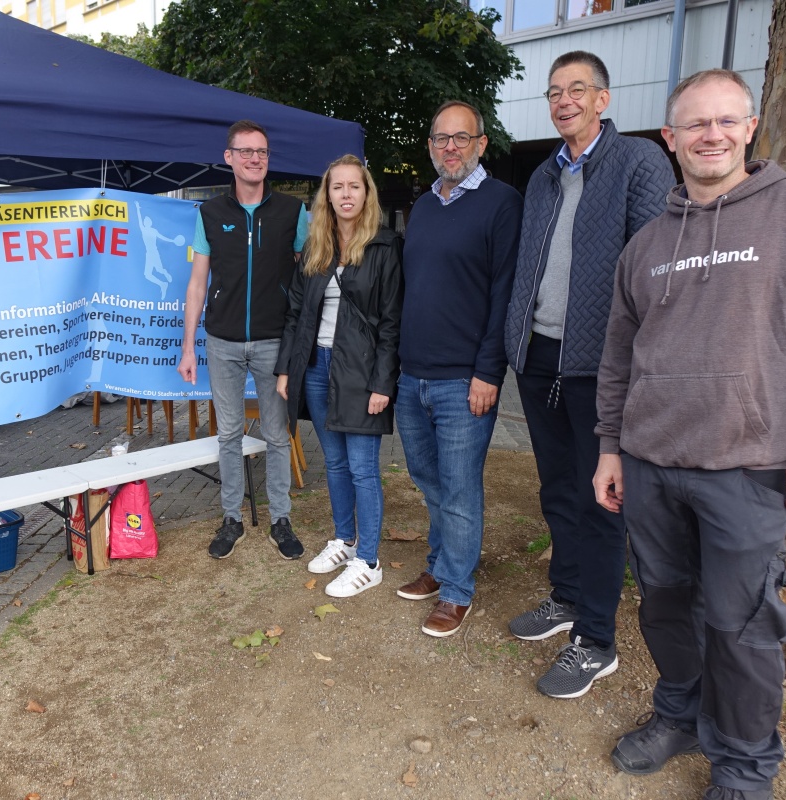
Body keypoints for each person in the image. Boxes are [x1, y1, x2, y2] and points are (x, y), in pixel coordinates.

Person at [593, 70, 786, 800]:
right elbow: (619, 356)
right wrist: (609, 447)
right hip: (652, 466)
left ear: (749, 129)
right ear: (670, 138)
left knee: (743, 627)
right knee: (663, 607)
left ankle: (746, 766)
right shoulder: (647, 245)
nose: (710, 134)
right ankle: (680, 716)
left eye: (726, 121)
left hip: (748, 469)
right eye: (695, 124)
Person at [503, 51, 674, 699]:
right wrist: (513, 339)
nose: (564, 100)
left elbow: (652, 273)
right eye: (554, 91)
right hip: (539, 357)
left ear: (603, 99)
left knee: (602, 500)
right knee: (557, 491)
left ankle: (596, 639)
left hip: (601, 365)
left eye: (577, 89)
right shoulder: (544, 175)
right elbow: (528, 264)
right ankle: (567, 597)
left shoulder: (638, 163)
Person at [394, 100, 522, 637]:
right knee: (428, 480)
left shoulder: (501, 203)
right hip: (412, 374)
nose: (451, 147)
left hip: (464, 379)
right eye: (441, 138)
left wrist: (489, 372)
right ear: (430, 146)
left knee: (460, 486)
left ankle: (457, 590)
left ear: (481, 144)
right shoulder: (424, 205)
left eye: (461, 138)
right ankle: (442, 562)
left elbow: (505, 295)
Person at [177, 120, 309, 561]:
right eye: (246, 151)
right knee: (229, 433)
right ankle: (231, 517)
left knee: (276, 434)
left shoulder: (293, 212)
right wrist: (187, 346)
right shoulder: (209, 214)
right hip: (223, 342)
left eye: (263, 152)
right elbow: (197, 283)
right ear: (228, 157)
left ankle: (280, 520)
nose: (255, 158)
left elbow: (311, 272)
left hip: (275, 342)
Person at [275, 155, 403, 597]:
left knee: (364, 469)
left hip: (361, 372)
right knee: (334, 463)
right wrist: (286, 369)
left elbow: (391, 322)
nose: (346, 194)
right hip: (315, 368)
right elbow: (295, 313)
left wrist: (383, 382)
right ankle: (345, 540)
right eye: (337, 187)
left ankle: (369, 560)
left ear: (366, 194)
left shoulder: (385, 248)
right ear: (325, 196)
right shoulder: (316, 247)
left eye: (354, 186)